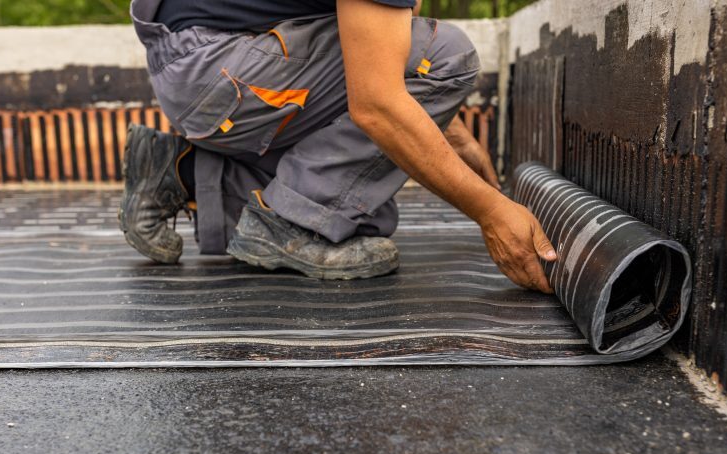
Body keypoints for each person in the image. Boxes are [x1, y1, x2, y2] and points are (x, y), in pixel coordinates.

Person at [121, 0, 557, 292]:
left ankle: (181, 172)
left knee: (361, 212)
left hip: (199, 68)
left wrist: (450, 131)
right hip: (221, 73)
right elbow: (377, 104)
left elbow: (376, 42)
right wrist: (492, 213)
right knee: (447, 56)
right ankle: (284, 224)